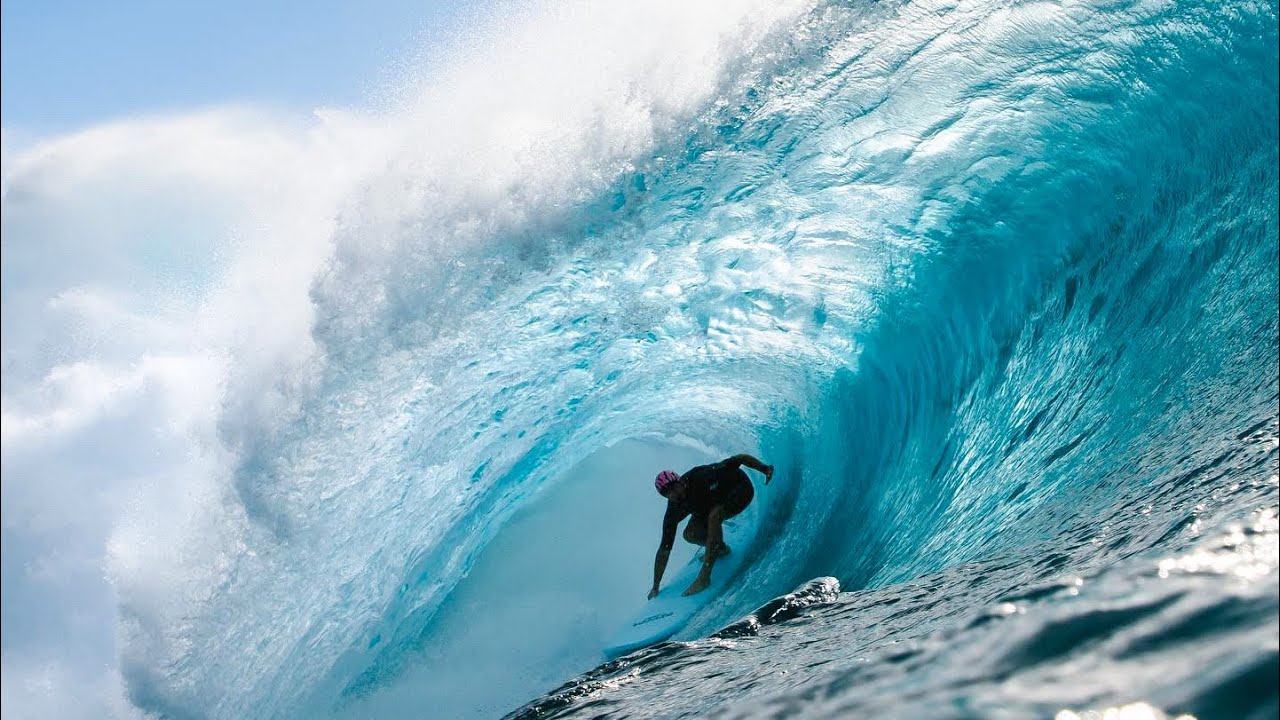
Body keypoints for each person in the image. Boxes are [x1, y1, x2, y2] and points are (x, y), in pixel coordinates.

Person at [648, 454, 774, 598]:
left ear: (680, 480)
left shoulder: (701, 476)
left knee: (715, 515)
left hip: (740, 491)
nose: (673, 493)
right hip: (710, 506)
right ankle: (720, 548)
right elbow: (664, 549)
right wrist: (655, 586)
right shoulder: (674, 507)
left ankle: (704, 577)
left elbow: (738, 459)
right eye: (667, 493)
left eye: (674, 487)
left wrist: (764, 468)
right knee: (690, 534)